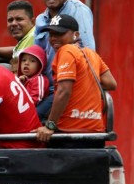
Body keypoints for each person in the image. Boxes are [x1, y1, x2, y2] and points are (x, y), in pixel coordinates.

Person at [34, 14, 116, 146]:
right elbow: (110, 83)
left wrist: (49, 126)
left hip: (69, 132)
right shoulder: (91, 54)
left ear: (76, 35)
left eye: (60, 34)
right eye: (51, 34)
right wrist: (83, 79)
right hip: (95, 131)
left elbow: (64, 91)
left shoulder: (66, 51)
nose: (54, 38)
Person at [34, 0, 96, 121]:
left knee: (29, 119)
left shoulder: (78, 10)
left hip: (66, 87)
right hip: (44, 88)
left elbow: (87, 52)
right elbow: (37, 54)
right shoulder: (41, 19)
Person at [0, 0, 36, 71]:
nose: (13, 23)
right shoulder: (24, 41)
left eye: (19, 19)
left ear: (33, 22)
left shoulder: (35, 35)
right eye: (10, 20)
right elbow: (14, 50)